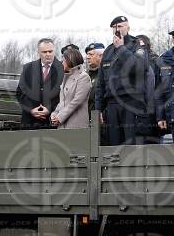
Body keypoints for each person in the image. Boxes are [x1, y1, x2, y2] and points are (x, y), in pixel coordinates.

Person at [94, 15, 147, 145]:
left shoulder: (137, 45)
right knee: (114, 146)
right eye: (115, 27)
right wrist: (98, 109)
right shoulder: (108, 51)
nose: (117, 29)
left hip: (131, 103)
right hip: (112, 105)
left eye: (121, 26)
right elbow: (100, 83)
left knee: (131, 146)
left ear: (128, 28)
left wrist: (121, 49)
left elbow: (139, 68)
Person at [16, 38, 63, 130]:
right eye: (44, 52)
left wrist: (49, 109)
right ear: (38, 52)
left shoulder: (63, 69)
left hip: (52, 122)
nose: (48, 54)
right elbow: (20, 93)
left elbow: (64, 95)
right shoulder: (28, 68)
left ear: (54, 51)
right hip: (29, 122)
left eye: (50, 51)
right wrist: (31, 110)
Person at [51, 48, 92, 129]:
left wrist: (60, 117)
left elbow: (77, 101)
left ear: (70, 60)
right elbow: (62, 101)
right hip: (62, 125)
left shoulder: (83, 77)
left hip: (76, 125)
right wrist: (54, 114)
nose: (62, 63)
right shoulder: (65, 77)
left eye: (63, 60)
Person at [85, 42, 104, 112]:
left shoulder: (106, 74)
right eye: (87, 54)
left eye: (91, 54)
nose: (87, 57)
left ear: (100, 56)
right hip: (85, 117)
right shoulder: (85, 75)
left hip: (99, 116)